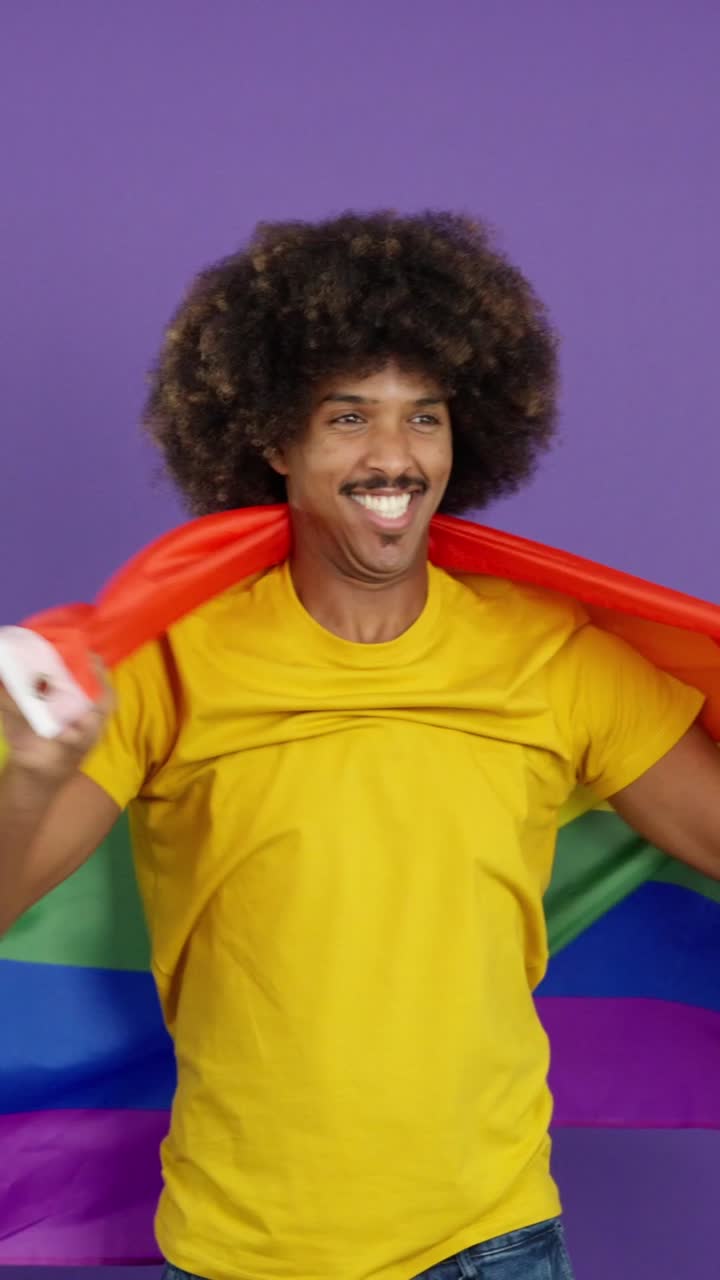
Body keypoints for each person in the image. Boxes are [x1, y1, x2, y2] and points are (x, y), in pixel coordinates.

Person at [2, 211, 720, 1280]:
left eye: (422, 416)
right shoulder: (173, 662)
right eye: (348, 416)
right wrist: (35, 766)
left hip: (495, 1242)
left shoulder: (552, 657)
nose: (394, 455)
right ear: (273, 440)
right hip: (244, 1252)